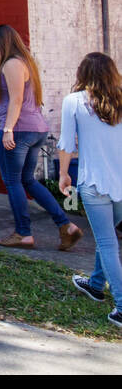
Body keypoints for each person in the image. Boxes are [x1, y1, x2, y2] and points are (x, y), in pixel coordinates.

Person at [0, 25, 80, 249]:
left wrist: (8, 129)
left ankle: (23, 233)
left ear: (2, 42)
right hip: (34, 129)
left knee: (12, 181)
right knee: (27, 180)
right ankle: (66, 226)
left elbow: (16, 99)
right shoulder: (25, 62)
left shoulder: (12, 64)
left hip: (19, 130)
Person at [59, 52, 122, 328]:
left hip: (94, 183)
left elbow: (66, 144)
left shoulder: (73, 102)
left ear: (82, 74)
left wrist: (63, 175)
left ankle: (121, 306)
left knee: (108, 242)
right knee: (106, 237)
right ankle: (96, 284)